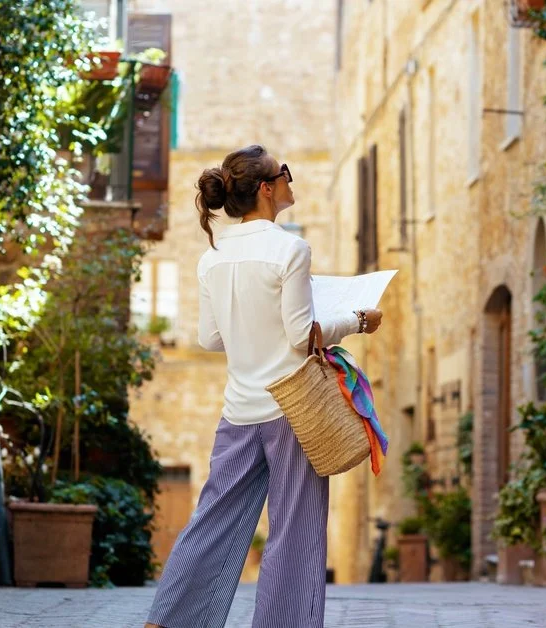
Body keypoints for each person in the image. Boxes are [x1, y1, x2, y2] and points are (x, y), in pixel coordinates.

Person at [145, 145, 382, 628]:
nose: (291, 181)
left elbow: (209, 337)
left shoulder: (212, 258)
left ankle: (169, 621)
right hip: (293, 409)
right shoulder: (289, 249)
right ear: (267, 188)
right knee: (294, 532)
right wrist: (358, 318)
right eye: (285, 174)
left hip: (239, 410)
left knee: (211, 522)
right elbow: (301, 336)